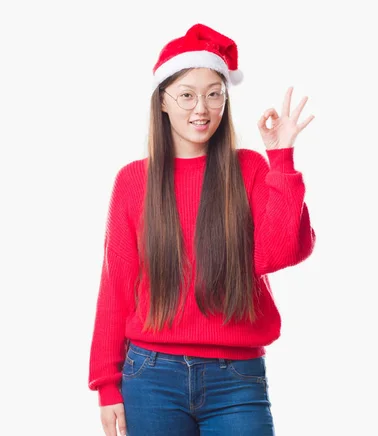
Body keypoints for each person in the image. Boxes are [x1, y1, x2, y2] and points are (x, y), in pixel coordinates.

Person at [88, 22, 316, 436]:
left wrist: (281, 158)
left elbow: (279, 253)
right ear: (163, 102)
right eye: (188, 95)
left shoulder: (247, 168)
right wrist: (106, 386)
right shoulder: (134, 181)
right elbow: (116, 287)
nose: (202, 109)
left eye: (215, 95)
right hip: (151, 378)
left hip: (237, 380)